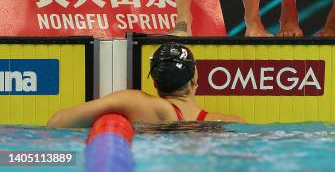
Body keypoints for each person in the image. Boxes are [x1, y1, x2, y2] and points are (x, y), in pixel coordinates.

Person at [47, 43, 244, 127]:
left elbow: (57, 122)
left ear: (155, 82)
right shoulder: (231, 123)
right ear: (195, 78)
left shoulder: (136, 103)